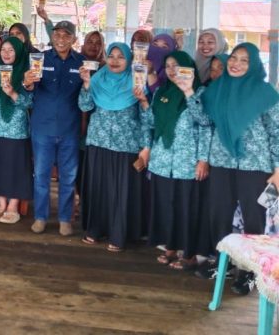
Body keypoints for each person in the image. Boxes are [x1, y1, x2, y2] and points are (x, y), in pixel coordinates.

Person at [196, 43, 279, 295]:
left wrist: (278, 169)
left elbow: (276, 132)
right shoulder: (216, 90)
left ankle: (249, 273)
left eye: (244, 60)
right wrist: (189, 91)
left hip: (256, 166)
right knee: (218, 215)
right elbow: (204, 123)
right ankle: (224, 264)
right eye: (234, 58)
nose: (236, 64)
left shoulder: (266, 94)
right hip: (221, 162)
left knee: (254, 220)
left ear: (253, 64)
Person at [137, 51, 211, 270]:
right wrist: (143, 103)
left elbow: (205, 123)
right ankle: (169, 247)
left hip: (187, 162)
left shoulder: (200, 92)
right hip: (162, 160)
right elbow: (151, 123)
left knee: (186, 209)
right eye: (168, 66)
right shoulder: (161, 92)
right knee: (166, 206)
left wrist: (203, 159)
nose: (171, 70)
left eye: (177, 66)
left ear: (188, 67)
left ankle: (188, 254)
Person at [78, 43, 146, 252]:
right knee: (98, 189)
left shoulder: (136, 81)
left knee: (120, 194)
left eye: (121, 57)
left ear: (129, 60)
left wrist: (143, 100)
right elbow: (85, 106)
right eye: (111, 56)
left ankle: (119, 235)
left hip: (125, 145)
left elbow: (146, 118)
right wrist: (87, 84)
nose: (115, 60)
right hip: (98, 142)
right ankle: (95, 229)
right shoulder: (98, 78)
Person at [24, 20, 84, 235]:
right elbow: (29, 90)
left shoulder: (82, 63)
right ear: (51, 37)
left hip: (69, 129)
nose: (60, 39)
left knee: (68, 177)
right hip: (42, 128)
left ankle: (65, 219)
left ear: (74, 40)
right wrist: (27, 82)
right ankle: (40, 217)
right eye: (57, 35)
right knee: (41, 175)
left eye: (66, 36)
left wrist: (87, 83)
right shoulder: (40, 58)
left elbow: (87, 97)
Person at [0, 37, 32, 224]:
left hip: (16, 129)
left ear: (18, 52)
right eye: (4, 50)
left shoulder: (26, 73)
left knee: (16, 166)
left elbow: (29, 102)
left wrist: (12, 93)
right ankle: (1, 204)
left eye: (11, 50)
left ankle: (13, 206)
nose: (7, 54)